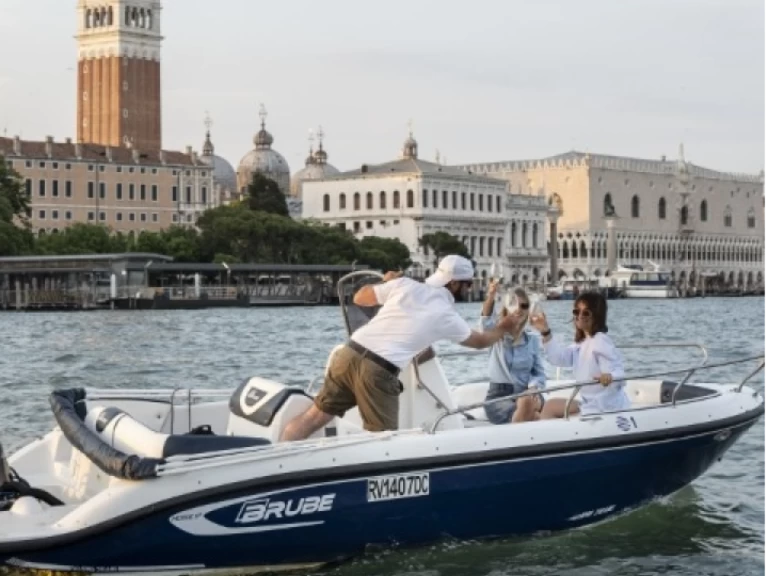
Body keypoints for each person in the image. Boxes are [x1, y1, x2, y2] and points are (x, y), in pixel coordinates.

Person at [280, 256, 521, 441]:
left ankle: (279, 456)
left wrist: (386, 283)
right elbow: (478, 342)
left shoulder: (404, 284)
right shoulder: (446, 314)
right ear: (455, 283)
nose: (469, 289)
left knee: (315, 417)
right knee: (383, 441)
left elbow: (360, 297)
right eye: (468, 284)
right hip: (378, 370)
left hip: (349, 353)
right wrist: (504, 327)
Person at [529, 292, 631, 419]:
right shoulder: (581, 343)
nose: (580, 316)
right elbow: (558, 358)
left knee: (550, 407)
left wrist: (610, 376)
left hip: (605, 406)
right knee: (547, 408)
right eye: (577, 312)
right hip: (590, 403)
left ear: (597, 316)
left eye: (586, 312)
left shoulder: (600, 340)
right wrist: (545, 331)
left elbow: (619, 373)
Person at [481, 282, 548, 424]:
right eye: (514, 303)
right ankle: (531, 417)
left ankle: (529, 413)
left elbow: (538, 373)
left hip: (528, 392)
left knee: (528, 400)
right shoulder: (496, 333)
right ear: (506, 307)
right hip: (500, 396)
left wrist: (533, 388)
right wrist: (491, 295)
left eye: (524, 306)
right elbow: (485, 322)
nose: (519, 309)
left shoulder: (532, 339)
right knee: (526, 406)